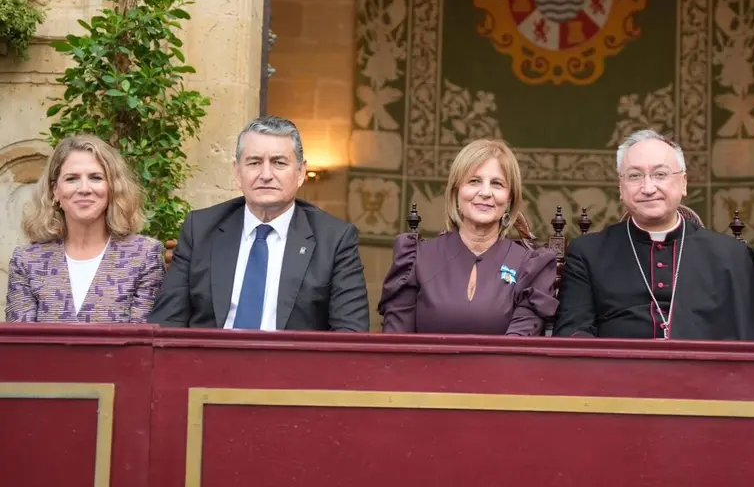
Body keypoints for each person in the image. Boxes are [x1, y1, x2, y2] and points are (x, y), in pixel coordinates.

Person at [149, 116, 369, 331]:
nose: (266, 175)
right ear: (237, 172)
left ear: (300, 172)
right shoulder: (200, 228)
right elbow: (166, 324)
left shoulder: (334, 239)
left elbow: (350, 332)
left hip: (292, 365)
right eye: (254, 163)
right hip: (210, 363)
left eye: (279, 163)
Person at [554, 129, 754, 340]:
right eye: (635, 176)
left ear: (683, 183)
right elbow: (573, 333)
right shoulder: (588, 253)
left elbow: (747, 339)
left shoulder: (732, 255)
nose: (647, 187)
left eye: (660, 174)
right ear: (621, 186)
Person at [378, 139, 558, 335]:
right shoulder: (415, 260)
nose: (485, 192)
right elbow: (396, 346)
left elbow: (515, 349)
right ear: (456, 193)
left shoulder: (530, 267)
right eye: (474, 181)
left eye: (497, 184)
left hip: (500, 366)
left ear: (509, 200)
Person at [6, 134, 164, 323]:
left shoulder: (144, 256)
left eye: (96, 178)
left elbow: (142, 343)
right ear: (55, 190)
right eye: (72, 178)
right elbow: (21, 345)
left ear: (112, 187)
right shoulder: (27, 261)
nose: (84, 188)